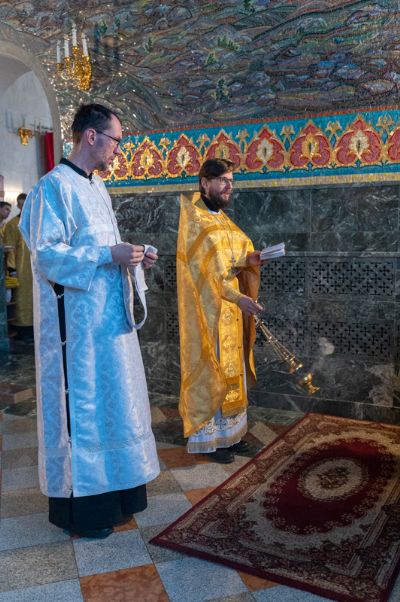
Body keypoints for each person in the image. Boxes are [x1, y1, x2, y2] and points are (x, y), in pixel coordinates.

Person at [19, 103, 160, 538]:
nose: (119, 149)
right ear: (91, 136)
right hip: (76, 336)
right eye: (116, 140)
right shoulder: (52, 188)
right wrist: (107, 254)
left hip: (108, 327)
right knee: (85, 411)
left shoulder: (98, 187)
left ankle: (119, 497)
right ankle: (86, 511)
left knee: (115, 405)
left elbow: (105, 250)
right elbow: (48, 257)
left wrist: (132, 258)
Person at [177, 158, 263, 464]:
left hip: (231, 309)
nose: (229, 186)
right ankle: (210, 441)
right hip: (207, 313)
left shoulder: (223, 220)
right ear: (205, 183)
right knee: (212, 371)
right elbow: (209, 275)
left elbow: (236, 256)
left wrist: (252, 260)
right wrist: (238, 297)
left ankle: (232, 435)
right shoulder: (195, 221)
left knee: (233, 371)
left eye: (231, 181)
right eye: (223, 180)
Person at [3, 193, 33, 339]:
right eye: (22, 204)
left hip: (36, 268)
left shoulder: (37, 223)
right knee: (21, 298)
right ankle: (22, 330)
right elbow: (10, 249)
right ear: (19, 205)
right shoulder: (12, 225)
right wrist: (12, 269)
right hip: (21, 268)